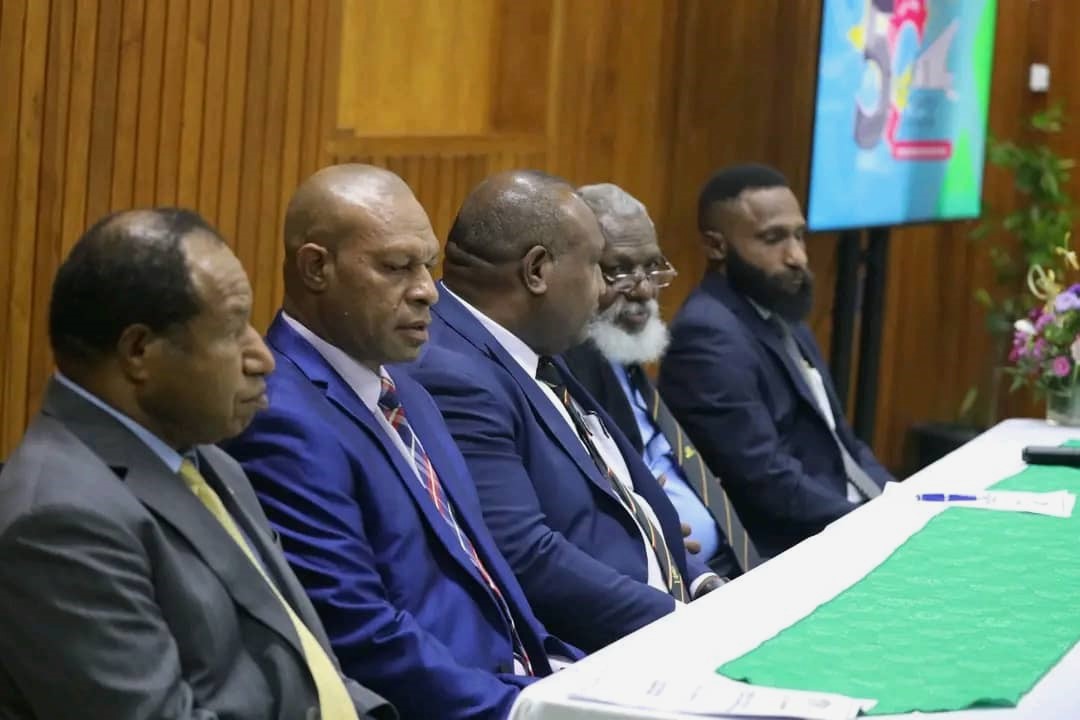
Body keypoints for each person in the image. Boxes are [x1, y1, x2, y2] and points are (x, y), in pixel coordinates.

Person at [0, 209, 394, 720]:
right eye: (232, 331)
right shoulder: (57, 521)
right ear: (139, 351)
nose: (263, 358)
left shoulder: (209, 460)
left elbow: (308, 668)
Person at [222, 165, 581, 720]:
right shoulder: (281, 418)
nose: (427, 292)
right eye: (396, 267)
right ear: (316, 268)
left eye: (428, 266)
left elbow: (484, 574)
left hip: (523, 680)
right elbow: (363, 635)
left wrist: (573, 677)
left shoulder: (403, 385)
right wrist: (525, 709)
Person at [407, 170, 721, 654]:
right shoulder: (455, 374)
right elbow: (525, 557)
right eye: (596, 266)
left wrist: (699, 581)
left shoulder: (532, 342)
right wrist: (682, 622)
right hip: (599, 652)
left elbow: (619, 494)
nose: (603, 291)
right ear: (537, 271)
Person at [658, 164, 894, 558]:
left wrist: (901, 498)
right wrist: (873, 522)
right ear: (716, 246)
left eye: (799, 235)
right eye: (773, 239)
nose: (797, 256)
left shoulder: (780, 312)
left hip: (844, 517)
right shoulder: (706, 335)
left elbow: (842, 442)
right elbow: (765, 479)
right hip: (795, 546)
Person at [562, 183, 760, 577]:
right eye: (619, 270)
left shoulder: (624, 353)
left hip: (732, 564)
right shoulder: (566, 369)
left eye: (652, 267)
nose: (645, 289)